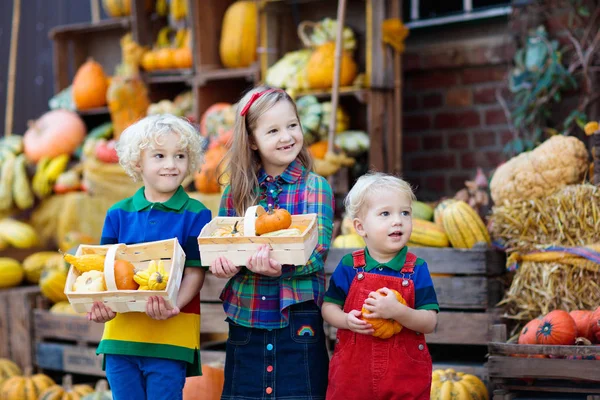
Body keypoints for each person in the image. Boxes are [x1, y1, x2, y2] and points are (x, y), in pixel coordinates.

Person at [209, 86, 334, 399]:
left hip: (297, 322)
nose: (286, 136)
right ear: (252, 141)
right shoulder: (235, 194)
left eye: (292, 125)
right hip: (245, 321)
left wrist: (281, 270)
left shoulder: (314, 187)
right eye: (273, 130)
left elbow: (317, 254)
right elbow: (225, 246)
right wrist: (223, 266)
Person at [88, 114, 212, 400]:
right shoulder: (118, 213)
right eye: (159, 155)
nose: (171, 164)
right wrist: (102, 305)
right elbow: (104, 272)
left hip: (171, 335)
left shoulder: (196, 213)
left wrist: (173, 304)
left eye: (180, 155)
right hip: (121, 338)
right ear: (137, 162)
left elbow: (195, 271)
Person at [322, 172, 439, 400]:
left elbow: (429, 322)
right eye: (385, 213)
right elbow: (328, 307)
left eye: (405, 212)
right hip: (353, 378)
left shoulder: (417, 269)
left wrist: (399, 312)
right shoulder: (349, 266)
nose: (397, 220)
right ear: (360, 227)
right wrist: (345, 320)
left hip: (403, 377)